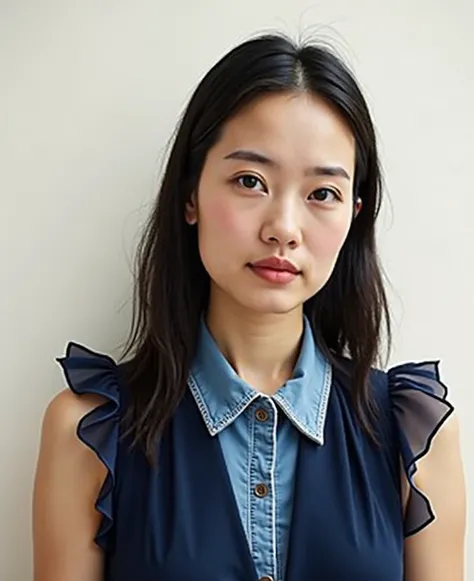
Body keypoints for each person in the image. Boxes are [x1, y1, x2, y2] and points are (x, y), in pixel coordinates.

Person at [33, 33, 466, 581]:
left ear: (354, 214)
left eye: (322, 193)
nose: (283, 228)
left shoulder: (416, 436)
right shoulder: (89, 430)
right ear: (190, 195)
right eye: (250, 181)